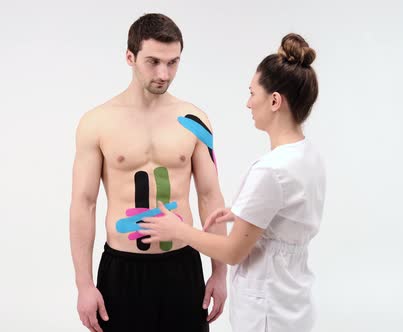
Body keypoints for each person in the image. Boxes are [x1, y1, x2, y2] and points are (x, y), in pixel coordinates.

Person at [139, 33, 325, 332]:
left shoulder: (270, 170)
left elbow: (233, 252)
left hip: (267, 309)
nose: (248, 103)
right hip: (294, 301)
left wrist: (180, 231)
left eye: (253, 93)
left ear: (275, 101)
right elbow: (287, 213)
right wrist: (243, 212)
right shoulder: (307, 155)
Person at [69, 13, 227, 332]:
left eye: (173, 63)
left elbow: (210, 197)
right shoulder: (97, 122)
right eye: (153, 61)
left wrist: (220, 274)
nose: (163, 73)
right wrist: (84, 285)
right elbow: (83, 204)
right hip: (123, 269)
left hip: (182, 266)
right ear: (130, 57)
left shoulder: (194, 120)